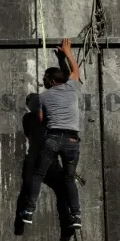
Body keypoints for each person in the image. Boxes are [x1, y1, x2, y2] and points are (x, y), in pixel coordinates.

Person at [21, 38, 83, 229]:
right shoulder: (72, 88)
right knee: (69, 179)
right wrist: (67, 53)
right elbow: (75, 70)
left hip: (53, 139)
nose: (43, 81)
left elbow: (41, 122)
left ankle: (29, 211)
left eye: (45, 79)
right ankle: (76, 216)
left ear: (50, 81)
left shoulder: (43, 97)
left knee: (38, 175)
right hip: (72, 140)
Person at [15, 93, 74, 241]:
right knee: (62, 192)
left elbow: (31, 134)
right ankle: (66, 227)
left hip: (33, 159)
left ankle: (19, 226)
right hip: (48, 160)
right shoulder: (48, 118)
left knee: (26, 192)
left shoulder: (27, 119)